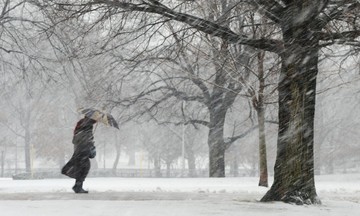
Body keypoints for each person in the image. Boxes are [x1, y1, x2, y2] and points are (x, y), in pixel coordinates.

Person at [61, 116, 97, 193]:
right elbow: (86, 140)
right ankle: (78, 186)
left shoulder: (81, 127)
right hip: (83, 151)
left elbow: (75, 140)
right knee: (84, 168)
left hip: (79, 151)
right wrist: (90, 142)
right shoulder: (87, 127)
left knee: (81, 168)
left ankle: (77, 186)